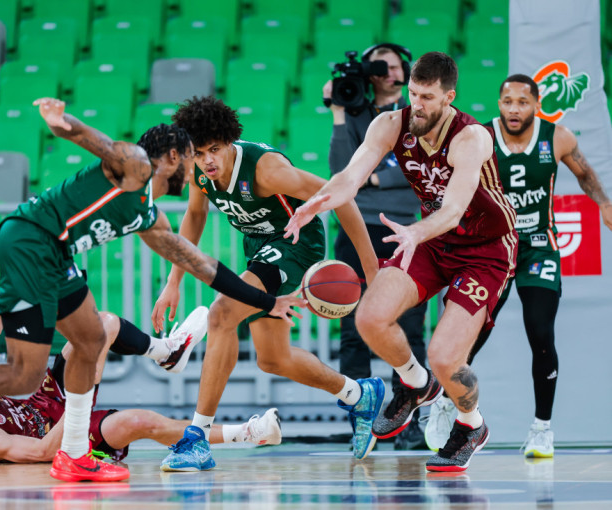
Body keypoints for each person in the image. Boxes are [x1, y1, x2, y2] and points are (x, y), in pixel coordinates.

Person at [0, 98, 305, 482]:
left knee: (91, 339)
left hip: (56, 256)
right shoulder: (136, 165)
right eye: (191, 159)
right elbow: (100, 143)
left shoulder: (149, 215)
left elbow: (203, 266)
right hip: (32, 242)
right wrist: (62, 123)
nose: (195, 172)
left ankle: (73, 454)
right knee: (23, 375)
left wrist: (269, 302)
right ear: (173, 155)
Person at [285, 52, 518, 472]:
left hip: (484, 249)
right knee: (369, 317)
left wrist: (414, 232)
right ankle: (415, 383)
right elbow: (350, 177)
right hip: (433, 239)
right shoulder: (390, 124)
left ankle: (472, 424)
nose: (417, 104)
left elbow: (452, 210)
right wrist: (318, 202)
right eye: (413, 93)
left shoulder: (471, 137)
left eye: (427, 97)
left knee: (446, 357)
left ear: (449, 97)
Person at [152, 96, 382, 472]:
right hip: (260, 248)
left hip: (296, 244)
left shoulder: (266, 170)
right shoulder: (199, 171)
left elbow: (340, 196)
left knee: (222, 314)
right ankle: (359, 394)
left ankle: (196, 439)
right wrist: (173, 281)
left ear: (229, 143)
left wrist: (371, 271)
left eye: (215, 150)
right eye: (199, 153)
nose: (208, 161)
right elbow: (194, 216)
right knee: (273, 359)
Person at [424, 74, 612, 457]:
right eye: (507, 101)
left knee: (541, 333)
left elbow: (585, 175)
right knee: (471, 336)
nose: (513, 109)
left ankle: (542, 428)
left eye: (522, 102)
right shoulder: (480, 136)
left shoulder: (558, 137)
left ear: (536, 104)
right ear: (498, 102)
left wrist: (605, 204)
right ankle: (446, 402)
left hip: (539, 247)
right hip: (494, 246)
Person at [0, 296, 281, 464]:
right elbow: (42, 452)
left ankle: (167, 351)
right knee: (141, 421)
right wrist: (79, 404)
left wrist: (18, 275)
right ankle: (248, 433)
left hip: (47, 400)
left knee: (104, 323)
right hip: (61, 438)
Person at [325, 43, 428, 450]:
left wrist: (371, 177)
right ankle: (362, 424)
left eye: (394, 63)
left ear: (406, 70)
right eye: (378, 64)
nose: (387, 70)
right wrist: (337, 112)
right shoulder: (352, 112)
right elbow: (339, 169)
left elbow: (416, 168)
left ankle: (410, 422)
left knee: (410, 330)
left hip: (406, 229)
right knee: (352, 331)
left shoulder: (419, 116)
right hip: (356, 230)